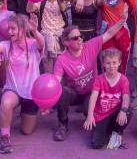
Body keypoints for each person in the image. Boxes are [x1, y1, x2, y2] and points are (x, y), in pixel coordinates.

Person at [52, 7, 129, 141]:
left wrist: (122, 20)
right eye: (75, 38)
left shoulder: (91, 46)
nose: (80, 39)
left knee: (90, 112)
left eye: (80, 36)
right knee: (62, 91)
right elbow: (56, 81)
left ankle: (86, 109)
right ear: (66, 42)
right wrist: (49, 99)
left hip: (92, 92)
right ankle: (63, 124)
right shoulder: (62, 59)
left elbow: (109, 33)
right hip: (75, 93)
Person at [0, 14, 44, 154]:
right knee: (5, 103)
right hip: (13, 90)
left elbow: (41, 43)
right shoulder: (6, 45)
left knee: (26, 131)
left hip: (31, 93)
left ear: (22, 29)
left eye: (13, 29)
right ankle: (5, 138)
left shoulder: (33, 44)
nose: (9, 32)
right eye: (8, 29)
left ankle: (23, 114)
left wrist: (35, 31)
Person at [83, 48, 131, 149]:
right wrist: (90, 115)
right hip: (101, 115)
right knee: (97, 144)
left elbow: (126, 96)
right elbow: (93, 96)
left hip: (115, 113)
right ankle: (107, 131)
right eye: (108, 63)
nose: (111, 66)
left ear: (119, 63)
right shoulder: (99, 79)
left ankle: (117, 132)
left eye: (114, 62)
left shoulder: (123, 79)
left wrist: (123, 110)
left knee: (127, 110)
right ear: (103, 64)